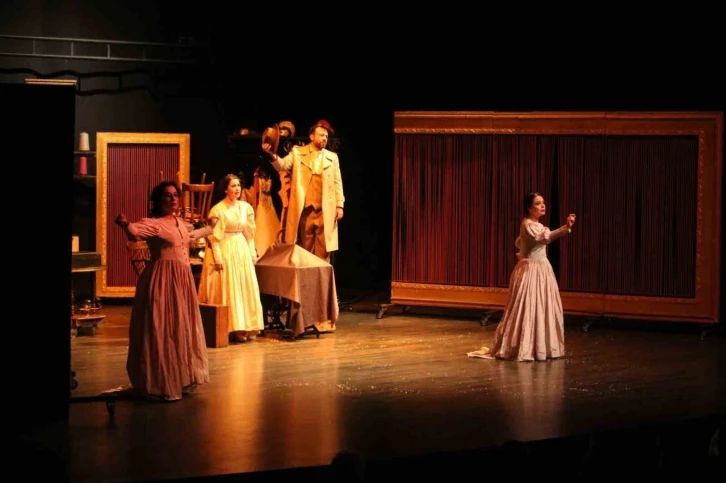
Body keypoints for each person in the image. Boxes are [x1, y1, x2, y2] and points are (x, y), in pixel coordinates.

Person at [114, 181, 219, 401]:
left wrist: (210, 227)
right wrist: (126, 225)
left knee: (181, 324)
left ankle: (182, 376)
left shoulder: (180, 223)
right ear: (158, 201)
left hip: (182, 279)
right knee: (162, 325)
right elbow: (135, 231)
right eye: (167, 196)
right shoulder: (154, 224)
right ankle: (161, 380)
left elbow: (192, 235)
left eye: (175, 195)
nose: (172, 199)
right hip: (163, 278)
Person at [468, 192, 576, 362]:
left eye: (543, 202)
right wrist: (565, 227)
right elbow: (545, 238)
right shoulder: (527, 225)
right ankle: (524, 345)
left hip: (542, 269)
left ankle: (541, 347)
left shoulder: (536, 225)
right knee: (526, 307)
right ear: (529, 208)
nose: (542, 206)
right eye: (538, 203)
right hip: (530, 270)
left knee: (542, 305)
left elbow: (525, 242)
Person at [262, 120, 345, 263]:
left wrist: (339, 205)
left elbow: (337, 182)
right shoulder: (298, 153)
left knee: (324, 251)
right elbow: (282, 165)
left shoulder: (332, 157)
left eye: (326, 136)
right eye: (321, 135)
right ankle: (307, 277)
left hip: (325, 210)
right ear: (312, 136)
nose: (324, 138)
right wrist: (272, 154)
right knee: (306, 250)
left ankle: (321, 277)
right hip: (306, 210)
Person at [197, 174, 265, 343]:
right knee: (229, 286)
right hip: (226, 248)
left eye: (238, 185)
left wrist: (252, 254)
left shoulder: (245, 208)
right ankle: (228, 327)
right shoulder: (218, 209)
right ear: (225, 189)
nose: (237, 189)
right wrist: (218, 258)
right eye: (233, 186)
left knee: (243, 287)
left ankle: (243, 327)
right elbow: (214, 238)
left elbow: (249, 234)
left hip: (241, 249)